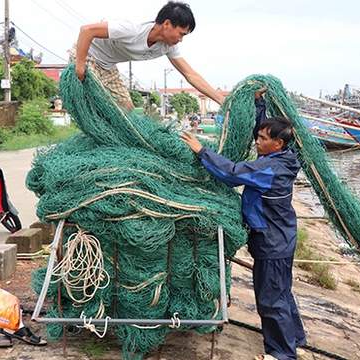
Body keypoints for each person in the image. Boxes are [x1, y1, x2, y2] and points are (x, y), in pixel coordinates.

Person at [179, 101, 306, 360]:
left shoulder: (268, 168)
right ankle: (295, 338)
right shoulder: (285, 158)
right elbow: (263, 134)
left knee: (271, 299)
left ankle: (282, 354)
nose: (256, 141)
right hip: (282, 237)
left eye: (261, 138)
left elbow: (232, 172)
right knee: (282, 291)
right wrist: (258, 104)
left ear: (278, 144)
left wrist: (202, 151)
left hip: (271, 241)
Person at [69, 1, 224, 110]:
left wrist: (221, 100)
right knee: (102, 104)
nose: (180, 40)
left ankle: (110, 142)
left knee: (127, 108)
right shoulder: (132, 28)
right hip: (88, 54)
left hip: (108, 66)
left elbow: (190, 75)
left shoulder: (168, 46)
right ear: (167, 24)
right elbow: (87, 31)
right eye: (181, 34)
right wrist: (80, 67)